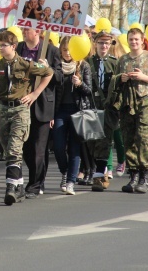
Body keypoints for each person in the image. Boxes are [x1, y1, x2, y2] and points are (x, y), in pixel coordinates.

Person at [0, 30, 53, 205]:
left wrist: (35, 94)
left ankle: (10, 188)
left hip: (20, 110)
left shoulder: (26, 64)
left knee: (14, 149)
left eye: (4, 45)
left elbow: (49, 72)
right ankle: (19, 186)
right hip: (2, 110)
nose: (1, 48)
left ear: (13, 46)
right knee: (8, 149)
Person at [116, 28, 148, 194]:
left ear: (142, 40)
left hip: (145, 102)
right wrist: (121, 79)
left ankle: (144, 175)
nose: (133, 42)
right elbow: (115, 81)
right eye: (131, 39)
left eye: (136, 39)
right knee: (128, 138)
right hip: (128, 103)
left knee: (143, 138)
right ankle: (133, 174)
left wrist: (143, 77)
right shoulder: (122, 60)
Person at [16, 27, 61, 199]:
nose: (23, 31)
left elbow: (60, 78)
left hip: (42, 105)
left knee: (39, 149)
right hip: (23, 104)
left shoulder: (51, 50)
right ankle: (38, 179)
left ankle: (34, 185)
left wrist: (49, 68)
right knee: (26, 149)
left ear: (37, 31)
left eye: (27, 28)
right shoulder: (19, 48)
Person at [53, 37, 92, 195]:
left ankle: (70, 181)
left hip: (78, 111)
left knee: (75, 147)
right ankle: (64, 171)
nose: (67, 53)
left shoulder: (83, 66)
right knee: (58, 146)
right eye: (64, 50)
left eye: (70, 49)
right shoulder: (57, 66)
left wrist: (80, 84)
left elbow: (89, 91)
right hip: (60, 111)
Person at [86, 31, 120, 192]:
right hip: (91, 104)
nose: (104, 46)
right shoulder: (88, 62)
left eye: (107, 43)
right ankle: (98, 171)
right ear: (95, 44)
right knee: (91, 141)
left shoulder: (115, 63)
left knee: (105, 141)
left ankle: (99, 175)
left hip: (108, 106)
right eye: (101, 43)